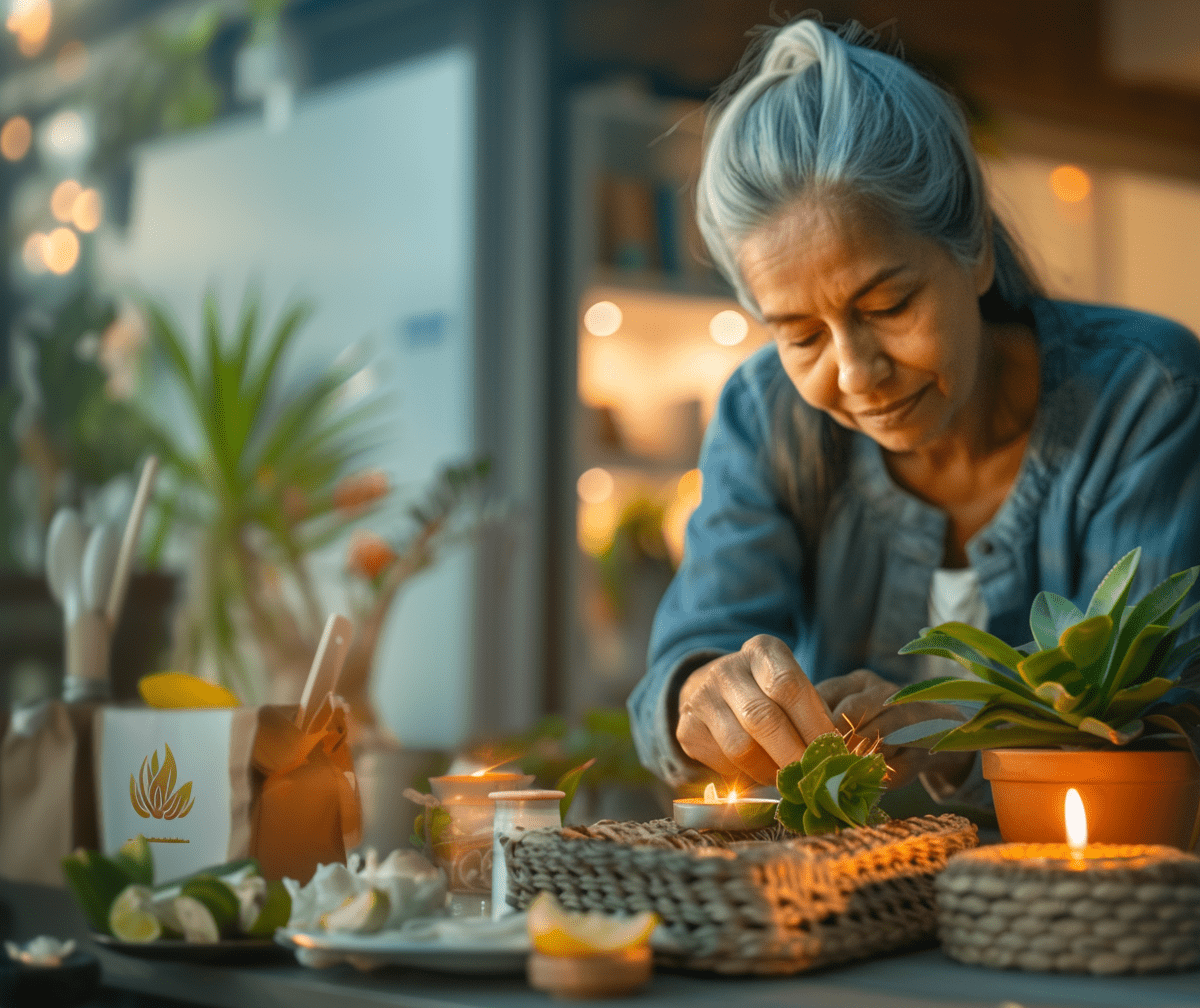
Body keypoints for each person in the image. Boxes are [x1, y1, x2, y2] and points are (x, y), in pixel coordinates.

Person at [627, 16, 1200, 803]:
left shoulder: (1144, 395)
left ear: (975, 251)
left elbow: (1164, 718)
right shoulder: (765, 418)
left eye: (889, 304)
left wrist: (957, 722)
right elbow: (688, 656)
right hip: (836, 910)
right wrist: (700, 692)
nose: (856, 372)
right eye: (799, 334)